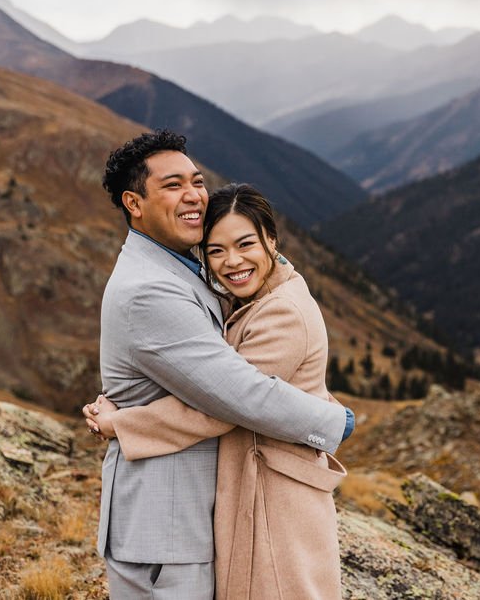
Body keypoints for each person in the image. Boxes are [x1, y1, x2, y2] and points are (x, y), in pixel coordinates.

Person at [85, 130, 352, 600]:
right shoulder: (151, 290)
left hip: (186, 523)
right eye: (172, 185)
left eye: (197, 180)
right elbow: (236, 395)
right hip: (165, 529)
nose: (193, 196)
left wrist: (122, 422)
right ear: (134, 202)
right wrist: (333, 421)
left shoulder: (177, 267)